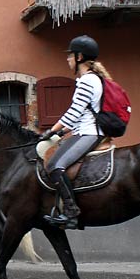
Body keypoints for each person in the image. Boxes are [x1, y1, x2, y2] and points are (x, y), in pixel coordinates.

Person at [37, 35, 109, 229]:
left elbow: (74, 112)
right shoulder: (92, 79)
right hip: (84, 130)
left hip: (89, 133)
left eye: (70, 55)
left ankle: (71, 213)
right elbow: (80, 114)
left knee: (54, 165)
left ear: (79, 57)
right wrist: (60, 134)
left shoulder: (87, 80)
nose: (67, 59)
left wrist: (52, 130)